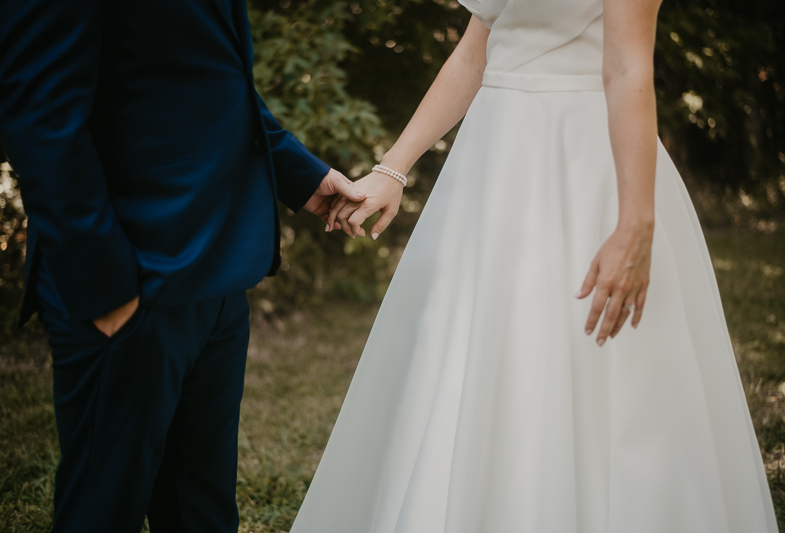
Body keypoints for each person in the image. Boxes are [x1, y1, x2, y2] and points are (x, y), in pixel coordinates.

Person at [291, 0, 779, 530]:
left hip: (583, 162)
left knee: (591, 367)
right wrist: (393, 168)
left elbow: (627, 67)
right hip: (492, 166)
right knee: (464, 355)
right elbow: (475, 52)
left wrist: (635, 222)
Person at [0, 0, 363, 531]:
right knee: (102, 509)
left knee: (201, 510)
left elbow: (204, 76)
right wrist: (108, 292)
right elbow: (40, 116)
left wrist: (302, 176)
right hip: (131, 273)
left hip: (219, 270)